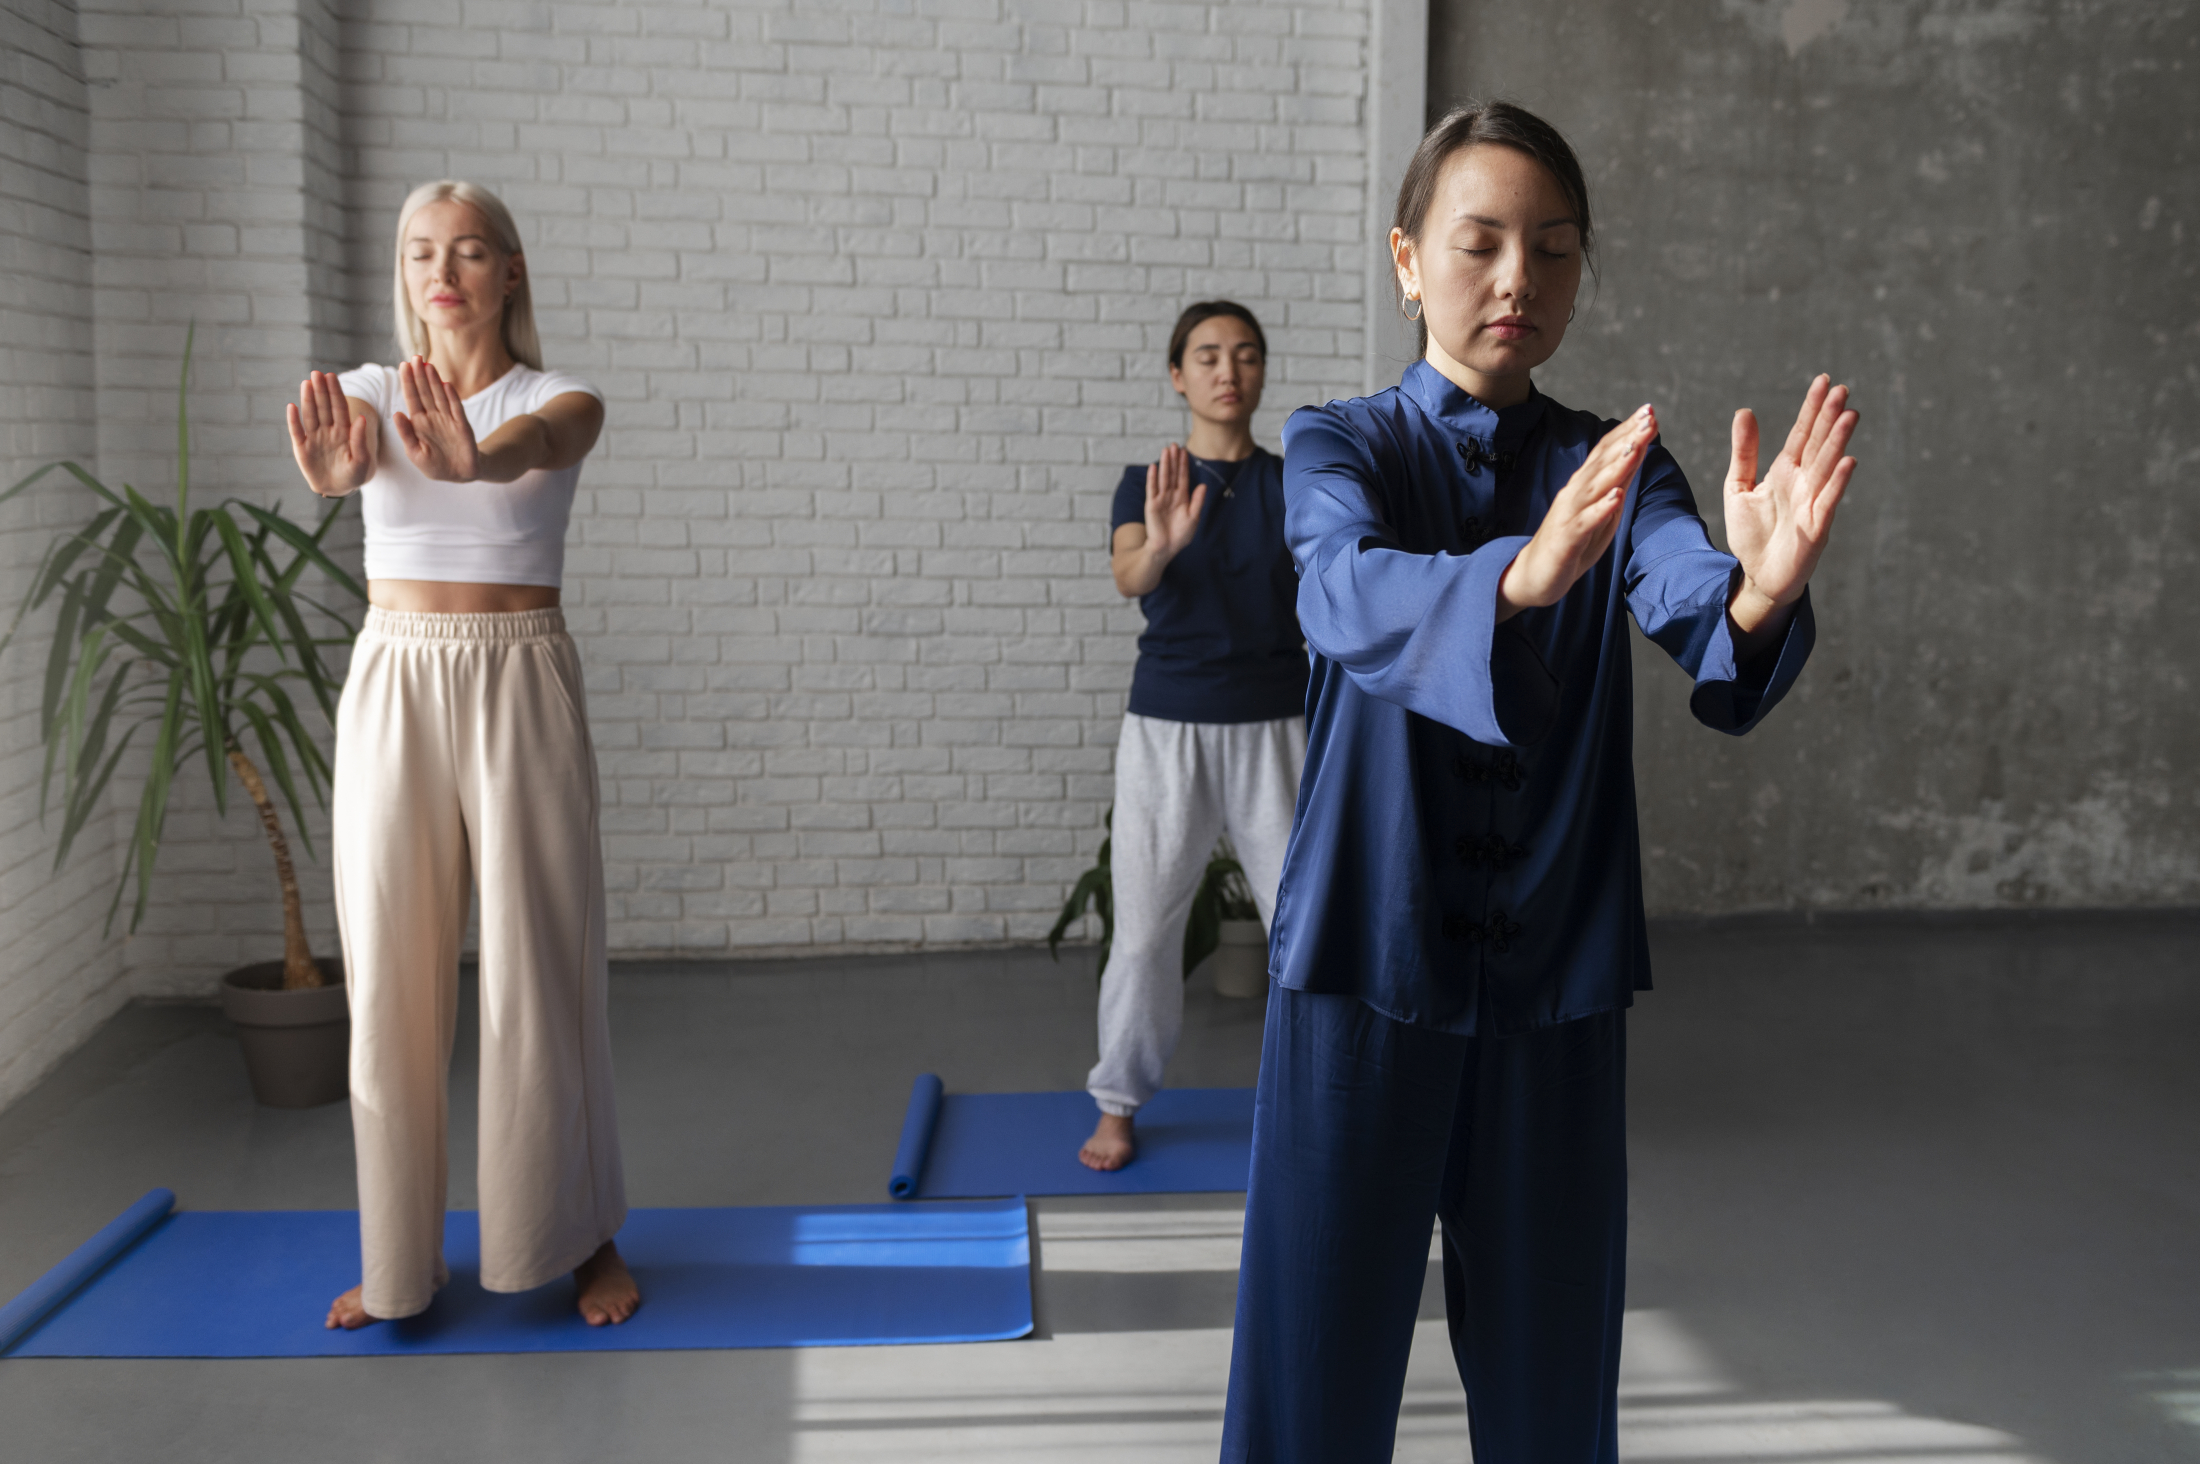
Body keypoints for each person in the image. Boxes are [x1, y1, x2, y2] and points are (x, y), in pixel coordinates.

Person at [1219, 103, 1857, 1461]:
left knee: (1554, 1395)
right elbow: (1339, 590)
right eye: (1483, 243)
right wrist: (1516, 577)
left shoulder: (1614, 463)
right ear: (1407, 261)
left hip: (1552, 990)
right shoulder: (1341, 445)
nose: (1520, 280)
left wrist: (1757, 592)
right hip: (1359, 976)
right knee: (1308, 1390)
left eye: (1556, 250)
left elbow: (1693, 600)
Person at [285, 180, 636, 1330]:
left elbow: (546, 440)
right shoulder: (373, 390)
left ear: (509, 271)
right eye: (425, 249)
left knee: (541, 968)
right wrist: (336, 477)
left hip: (519, 669)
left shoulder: (557, 396)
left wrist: (480, 461)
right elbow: (334, 449)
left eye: (472, 249)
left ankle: (579, 1241)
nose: (446, 267)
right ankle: (399, 1264)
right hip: (398, 672)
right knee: (389, 977)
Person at [1080, 302, 1309, 1171]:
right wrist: (1166, 544)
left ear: (1259, 373)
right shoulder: (1148, 480)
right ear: (1179, 374)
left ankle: (1314, 1096)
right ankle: (1118, 1102)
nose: (1229, 370)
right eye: (1208, 355)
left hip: (1276, 725)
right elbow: (1128, 575)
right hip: (1168, 727)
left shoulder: (1295, 486)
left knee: (1302, 928)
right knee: (1143, 931)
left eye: (1246, 355)